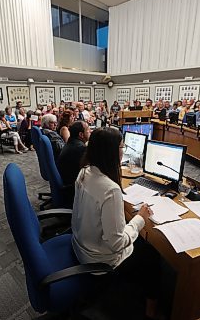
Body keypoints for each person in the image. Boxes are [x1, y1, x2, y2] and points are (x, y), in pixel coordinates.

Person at [71, 127, 161, 319]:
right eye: (122, 146)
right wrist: (140, 218)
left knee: (140, 242)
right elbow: (117, 243)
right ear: (113, 152)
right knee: (152, 254)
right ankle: (151, 312)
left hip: (79, 245)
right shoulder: (111, 190)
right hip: (98, 261)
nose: (124, 150)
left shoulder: (85, 171)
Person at [56, 121, 91, 187]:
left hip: (66, 181)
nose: (90, 131)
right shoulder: (81, 148)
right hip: (72, 188)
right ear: (81, 134)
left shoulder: (71, 142)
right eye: (88, 130)